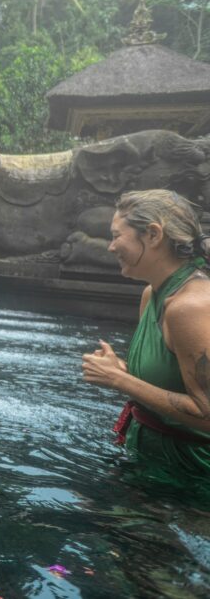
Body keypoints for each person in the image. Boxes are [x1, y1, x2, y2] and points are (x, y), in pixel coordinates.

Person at [82, 189, 210, 479]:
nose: (110, 247)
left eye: (116, 236)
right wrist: (123, 370)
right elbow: (169, 383)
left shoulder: (189, 307)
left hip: (193, 475)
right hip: (151, 460)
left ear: (153, 235)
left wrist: (119, 379)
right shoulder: (152, 294)